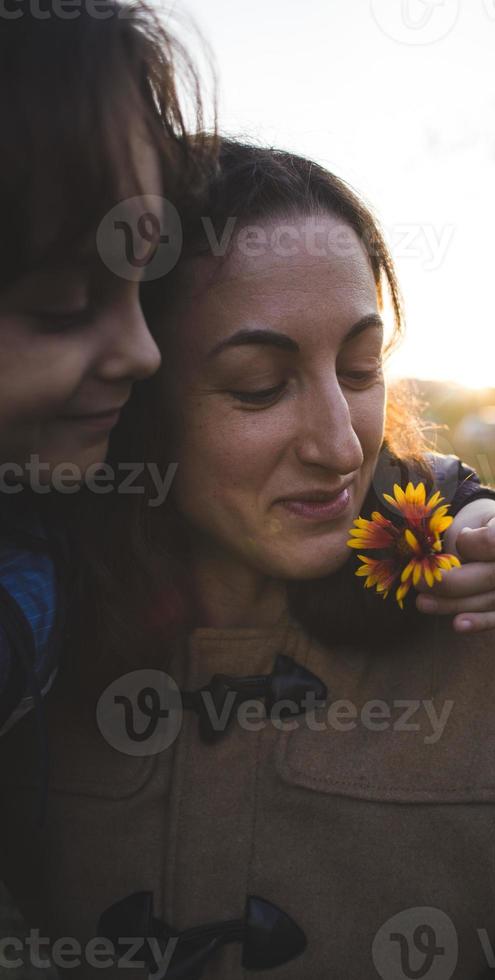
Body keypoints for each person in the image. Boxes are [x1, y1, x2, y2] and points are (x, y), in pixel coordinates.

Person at [0, 140, 495, 978]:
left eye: (360, 367)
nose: (341, 445)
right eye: (259, 385)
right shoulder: (30, 665)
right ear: (131, 393)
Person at [0, 0, 218, 749]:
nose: (144, 351)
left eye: (145, 290)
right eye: (62, 305)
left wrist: (449, 508)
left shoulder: (63, 495)